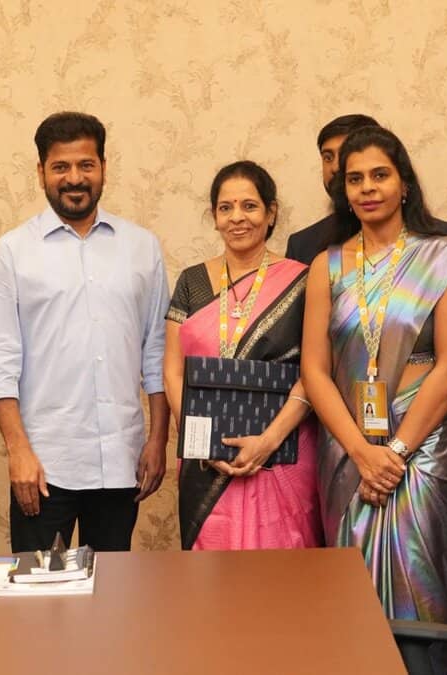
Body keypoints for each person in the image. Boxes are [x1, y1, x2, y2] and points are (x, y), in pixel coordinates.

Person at [302, 125, 447, 672]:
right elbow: (315, 372)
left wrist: (398, 451)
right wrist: (364, 454)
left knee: (424, 589)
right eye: (354, 179)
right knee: (350, 598)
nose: (367, 188)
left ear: (404, 184)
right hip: (347, 457)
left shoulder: (443, 258)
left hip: (425, 454)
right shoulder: (328, 265)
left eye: (380, 175)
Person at [0, 112, 170, 553]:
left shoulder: (142, 247)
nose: (74, 178)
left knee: (115, 598)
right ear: (41, 172)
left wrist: (158, 440)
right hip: (46, 465)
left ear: (103, 167)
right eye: (60, 167)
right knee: (41, 605)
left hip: (122, 459)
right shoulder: (11, 253)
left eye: (86, 165)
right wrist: (18, 452)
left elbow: (156, 354)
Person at [164, 160, 322, 550]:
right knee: (210, 585)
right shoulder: (192, 281)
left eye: (250, 206)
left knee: (281, 578)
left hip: (283, 456)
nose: (237, 218)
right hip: (205, 465)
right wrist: (205, 445)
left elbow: (316, 371)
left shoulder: (303, 280)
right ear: (214, 216)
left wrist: (267, 441)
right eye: (225, 207)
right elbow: (172, 371)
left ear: (271, 214)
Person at [285, 114, 447, 264]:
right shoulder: (304, 245)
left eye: (379, 175)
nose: (337, 167)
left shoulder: (442, 242)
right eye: (328, 157)